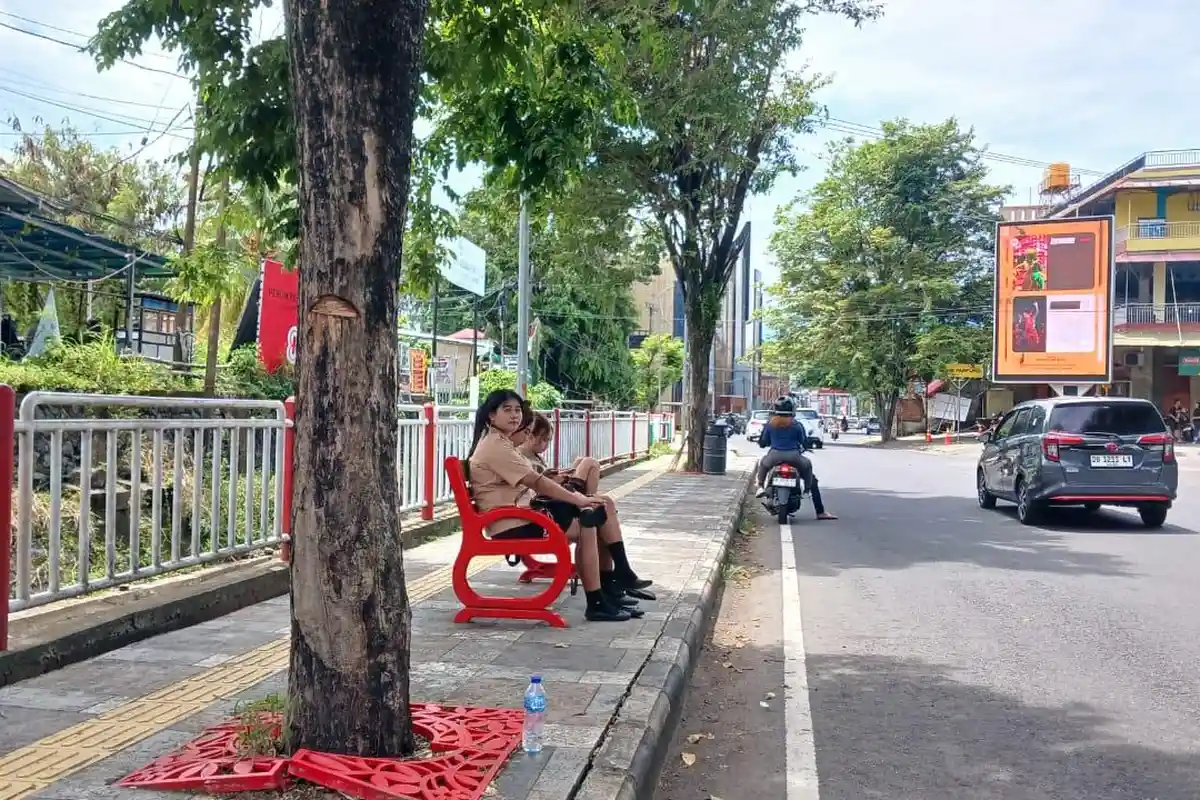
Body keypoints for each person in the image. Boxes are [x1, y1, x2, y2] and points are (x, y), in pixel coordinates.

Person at [467, 390, 633, 622]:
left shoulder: (499, 442)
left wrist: (576, 499)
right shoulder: (495, 446)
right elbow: (536, 482)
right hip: (513, 525)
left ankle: (609, 592)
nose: (515, 416)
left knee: (594, 513)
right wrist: (579, 499)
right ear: (491, 416)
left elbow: (534, 482)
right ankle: (604, 595)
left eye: (517, 410)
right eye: (507, 410)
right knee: (590, 519)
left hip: (521, 516)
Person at [518, 413, 655, 610]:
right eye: (530, 433)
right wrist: (562, 486)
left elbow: (532, 486)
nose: (528, 437)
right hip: (534, 515)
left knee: (601, 506)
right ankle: (611, 586)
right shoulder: (508, 453)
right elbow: (531, 490)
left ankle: (611, 586)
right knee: (596, 512)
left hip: (543, 509)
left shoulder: (509, 452)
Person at [755, 396, 837, 521]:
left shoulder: (770, 424)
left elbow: (762, 442)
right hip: (794, 456)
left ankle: (760, 486)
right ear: (792, 409)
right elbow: (804, 442)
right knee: (809, 470)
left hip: (774, 456)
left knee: (763, 464)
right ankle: (813, 501)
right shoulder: (796, 425)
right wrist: (806, 445)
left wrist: (767, 442)